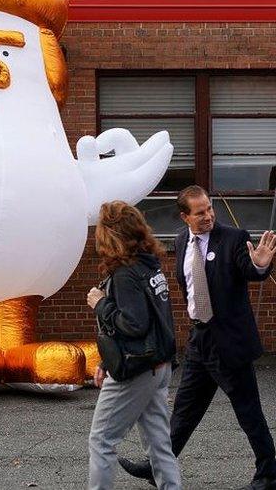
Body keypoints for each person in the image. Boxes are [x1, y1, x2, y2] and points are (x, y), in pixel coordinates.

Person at [119, 185, 276, 490]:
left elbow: (251, 269)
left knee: (248, 411)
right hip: (200, 339)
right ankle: (159, 467)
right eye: (200, 212)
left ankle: (270, 474)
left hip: (230, 342)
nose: (208, 215)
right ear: (185, 217)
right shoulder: (182, 241)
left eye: (209, 208)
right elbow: (190, 288)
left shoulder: (234, 238)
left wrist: (261, 265)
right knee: (184, 410)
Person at [86, 201, 181, 490]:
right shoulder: (149, 265)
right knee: (158, 442)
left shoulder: (126, 274)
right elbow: (152, 321)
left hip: (136, 367)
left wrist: (100, 304)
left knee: (102, 441)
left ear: (109, 235)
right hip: (159, 364)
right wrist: (105, 361)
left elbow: (134, 324)